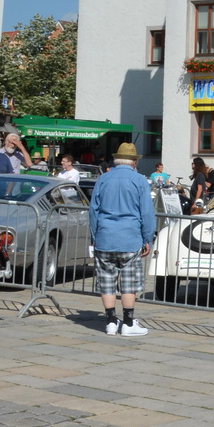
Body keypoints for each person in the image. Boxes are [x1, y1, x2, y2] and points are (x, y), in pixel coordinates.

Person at [88, 142, 156, 338]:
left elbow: (93, 210)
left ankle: (110, 321)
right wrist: (148, 238)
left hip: (105, 236)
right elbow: (146, 213)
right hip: (130, 237)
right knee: (129, 283)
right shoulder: (139, 180)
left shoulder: (103, 179)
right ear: (134, 162)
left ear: (116, 160)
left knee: (106, 282)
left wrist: (94, 236)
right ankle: (128, 322)